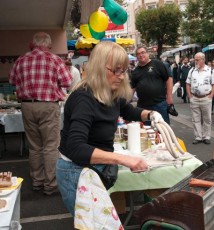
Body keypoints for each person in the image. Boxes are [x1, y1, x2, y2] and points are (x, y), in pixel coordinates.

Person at [56, 41, 163, 216]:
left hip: (92, 168)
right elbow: (76, 147)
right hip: (76, 171)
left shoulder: (109, 92)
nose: (121, 76)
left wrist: (150, 115)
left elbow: (127, 110)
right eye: (116, 70)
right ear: (99, 68)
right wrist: (123, 159)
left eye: (124, 71)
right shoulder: (83, 99)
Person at [9, 32, 73, 195]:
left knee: (34, 146)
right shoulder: (54, 59)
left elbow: (12, 80)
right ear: (49, 44)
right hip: (48, 105)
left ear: (33, 44)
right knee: (51, 146)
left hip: (27, 106)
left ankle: (37, 181)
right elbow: (67, 81)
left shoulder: (21, 59)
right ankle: (50, 183)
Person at [131, 46, 173, 124]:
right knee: (145, 130)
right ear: (136, 56)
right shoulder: (135, 72)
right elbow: (132, 88)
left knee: (162, 130)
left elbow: (169, 79)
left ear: (147, 54)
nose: (141, 55)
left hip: (159, 104)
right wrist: (125, 103)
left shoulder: (157, 64)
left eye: (143, 52)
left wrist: (169, 97)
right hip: (143, 107)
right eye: (138, 54)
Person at [186, 52, 214, 145]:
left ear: (203, 60)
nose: (195, 61)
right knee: (195, 119)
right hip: (194, 98)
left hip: (206, 97)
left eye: (197, 60)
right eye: (195, 59)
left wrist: (211, 96)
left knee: (207, 118)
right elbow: (187, 83)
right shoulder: (192, 70)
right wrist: (189, 96)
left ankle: (206, 136)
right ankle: (198, 137)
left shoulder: (210, 70)